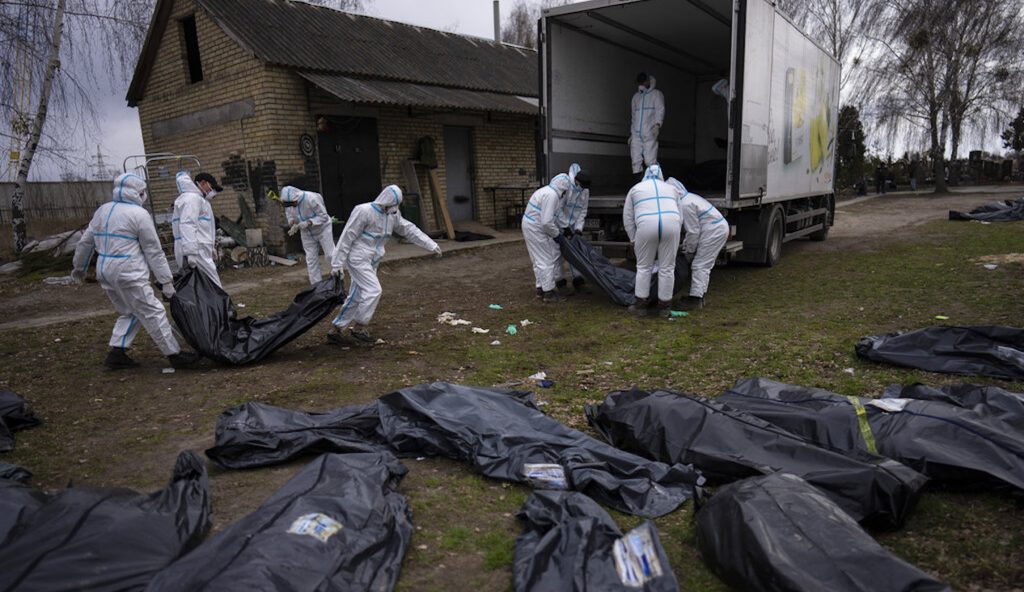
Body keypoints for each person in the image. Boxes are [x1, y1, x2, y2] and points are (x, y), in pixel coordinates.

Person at [71, 173, 201, 370]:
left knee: (129, 311)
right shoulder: (138, 215)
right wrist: (166, 282)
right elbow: (153, 251)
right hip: (128, 272)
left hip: (105, 271)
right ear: (138, 192)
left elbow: (86, 242)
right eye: (143, 192)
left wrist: (79, 268)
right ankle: (174, 354)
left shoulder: (103, 211)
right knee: (153, 311)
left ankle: (117, 353)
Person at [327, 185, 440, 344]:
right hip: (358, 257)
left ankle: (336, 329)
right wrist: (337, 263)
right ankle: (359, 326)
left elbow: (408, 229)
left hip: (373, 258)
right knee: (374, 290)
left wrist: (430, 244)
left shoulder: (392, 213)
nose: (394, 208)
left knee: (358, 293)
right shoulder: (364, 211)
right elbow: (347, 236)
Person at [623, 164, 680, 317]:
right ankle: (665, 307)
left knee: (643, 267)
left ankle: (640, 305)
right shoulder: (672, 189)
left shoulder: (635, 189)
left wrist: (633, 238)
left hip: (646, 225)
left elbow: (628, 216)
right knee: (667, 267)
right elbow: (680, 214)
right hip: (671, 224)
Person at [667, 177, 728, 310]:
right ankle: (699, 295)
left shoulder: (684, 204)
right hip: (715, 228)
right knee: (704, 265)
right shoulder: (689, 198)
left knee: (700, 265)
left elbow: (693, 231)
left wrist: (688, 250)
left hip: (714, 230)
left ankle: (695, 299)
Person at [522, 172, 576, 302]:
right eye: (565, 191)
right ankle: (549, 293)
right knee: (546, 259)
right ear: (563, 188)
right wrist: (557, 235)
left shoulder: (547, 191)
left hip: (531, 225)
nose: (565, 194)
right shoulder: (552, 195)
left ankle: (540, 289)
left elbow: (556, 214)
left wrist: (566, 227)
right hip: (536, 228)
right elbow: (547, 221)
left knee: (538, 259)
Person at [278, 180, 335, 285]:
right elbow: (289, 215)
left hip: (322, 229)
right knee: (311, 259)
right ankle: (316, 285)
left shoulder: (311, 198)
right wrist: (292, 223)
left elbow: (323, 217)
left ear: (297, 198)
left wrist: (309, 222)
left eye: (293, 203)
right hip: (306, 233)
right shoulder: (289, 204)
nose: (292, 206)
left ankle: (337, 278)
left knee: (330, 255)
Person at [173, 171, 223, 287]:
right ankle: (220, 305)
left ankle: (212, 304)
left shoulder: (198, 200)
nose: (213, 192)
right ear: (203, 183)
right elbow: (188, 224)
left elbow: (204, 227)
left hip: (199, 248)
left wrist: (210, 247)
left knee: (201, 285)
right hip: (196, 249)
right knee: (212, 283)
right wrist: (191, 252)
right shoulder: (192, 199)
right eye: (212, 187)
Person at [556, 163, 592, 293]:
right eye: (582, 186)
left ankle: (578, 280)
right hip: (559, 225)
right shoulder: (566, 188)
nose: (583, 189)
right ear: (576, 181)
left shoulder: (585, 190)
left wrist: (578, 228)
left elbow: (583, 210)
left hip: (572, 225)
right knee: (557, 253)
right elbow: (558, 209)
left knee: (575, 253)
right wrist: (564, 227)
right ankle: (560, 282)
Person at [629, 72, 665, 175]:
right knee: (635, 160)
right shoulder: (636, 97)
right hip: (636, 134)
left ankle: (655, 183)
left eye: (643, 82)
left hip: (649, 132)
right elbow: (633, 116)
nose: (641, 85)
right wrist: (632, 133)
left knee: (650, 161)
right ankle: (639, 185)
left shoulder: (656, 94)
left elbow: (660, 110)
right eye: (640, 83)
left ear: (648, 81)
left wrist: (658, 125)